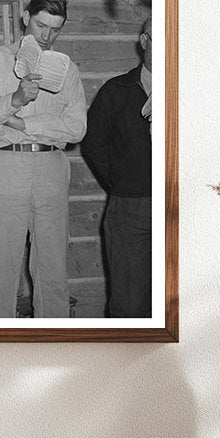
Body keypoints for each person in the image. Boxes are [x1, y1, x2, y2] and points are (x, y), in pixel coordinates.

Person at [0, 0, 87, 318]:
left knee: (53, 272)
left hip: (52, 169)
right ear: (25, 17)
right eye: (41, 25)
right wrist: (14, 100)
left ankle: (53, 349)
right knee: (2, 272)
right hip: (5, 167)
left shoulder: (67, 69)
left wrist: (17, 121)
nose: (46, 37)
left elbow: (76, 129)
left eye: (55, 29)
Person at [81, 17, 153, 317]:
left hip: (180, 205)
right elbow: (93, 143)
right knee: (129, 304)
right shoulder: (116, 90)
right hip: (129, 209)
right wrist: (121, 182)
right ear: (144, 42)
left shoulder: (191, 91)